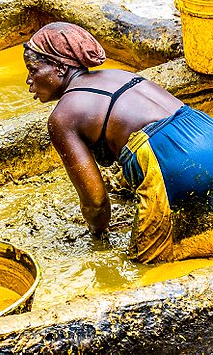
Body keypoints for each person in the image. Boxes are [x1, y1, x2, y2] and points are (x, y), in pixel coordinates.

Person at [23, 21, 213, 264]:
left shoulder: (62, 117)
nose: (29, 80)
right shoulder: (117, 75)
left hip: (171, 157)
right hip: (203, 127)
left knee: (146, 264)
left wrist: (97, 235)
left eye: (33, 70)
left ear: (60, 67)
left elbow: (95, 202)